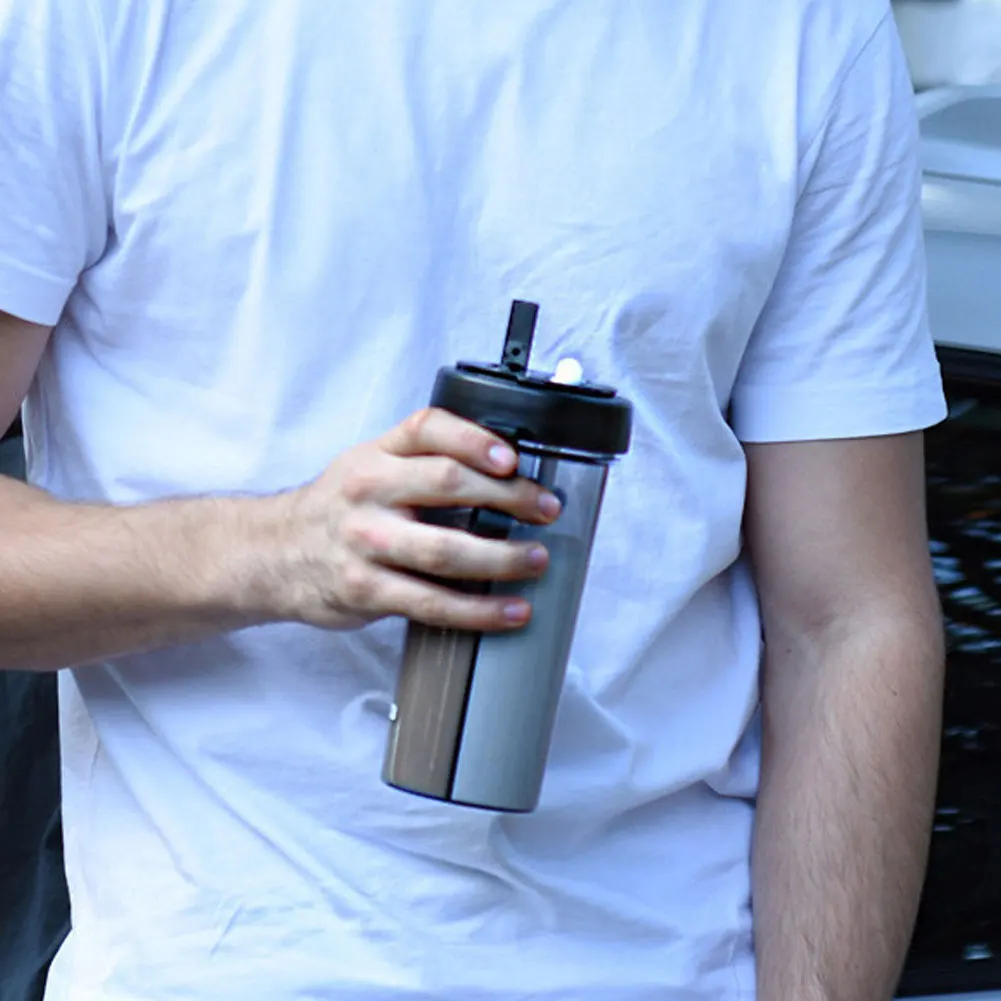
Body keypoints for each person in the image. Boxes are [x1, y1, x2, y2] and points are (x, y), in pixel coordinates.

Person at [0, 1, 947, 999]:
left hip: (666, 969)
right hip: (234, 961)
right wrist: (274, 550)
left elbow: (848, 622)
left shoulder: (805, 30)